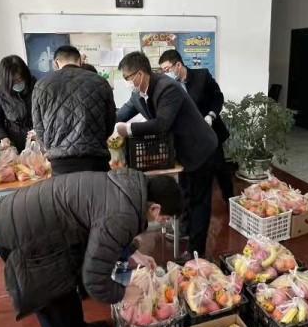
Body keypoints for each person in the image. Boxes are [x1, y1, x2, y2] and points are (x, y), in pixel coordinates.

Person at [0, 169, 184, 327]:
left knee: (65, 281)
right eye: (164, 218)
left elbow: (102, 225)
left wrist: (134, 252)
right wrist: (124, 293)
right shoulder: (123, 214)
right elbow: (93, 280)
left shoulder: (131, 186)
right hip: (21, 231)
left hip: (32, 214)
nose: (162, 222)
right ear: (154, 208)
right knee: (52, 303)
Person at [115, 51, 217, 260]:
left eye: (127, 77)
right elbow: (121, 114)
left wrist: (129, 129)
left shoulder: (167, 88)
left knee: (199, 201)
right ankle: (186, 229)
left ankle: (196, 251)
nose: (126, 82)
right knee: (186, 193)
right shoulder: (138, 94)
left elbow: (162, 124)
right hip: (181, 152)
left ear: (140, 74)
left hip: (200, 147)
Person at [159, 50, 234, 208]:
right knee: (189, 175)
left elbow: (218, 97)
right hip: (188, 139)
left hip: (210, 133)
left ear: (178, 65)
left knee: (220, 169)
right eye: (162, 71)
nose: (165, 74)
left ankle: (231, 202)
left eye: (167, 69)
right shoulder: (169, 86)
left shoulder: (202, 76)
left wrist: (211, 115)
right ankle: (189, 208)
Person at [32, 45, 116, 175]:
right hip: (96, 161)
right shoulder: (100, 82)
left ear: (55, 63)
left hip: (60, 164)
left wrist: (50, 147)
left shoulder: (41, 86)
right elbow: (110, 123)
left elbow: (39, 127)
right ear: (80, 61)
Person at [0, 55, 35, 152]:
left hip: (37, 141)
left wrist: (39, 132)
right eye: (14, 81)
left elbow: (47, 114)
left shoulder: (36, 87)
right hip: (13, 143)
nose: (18, 83)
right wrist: (2, 138)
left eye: (20, 79)